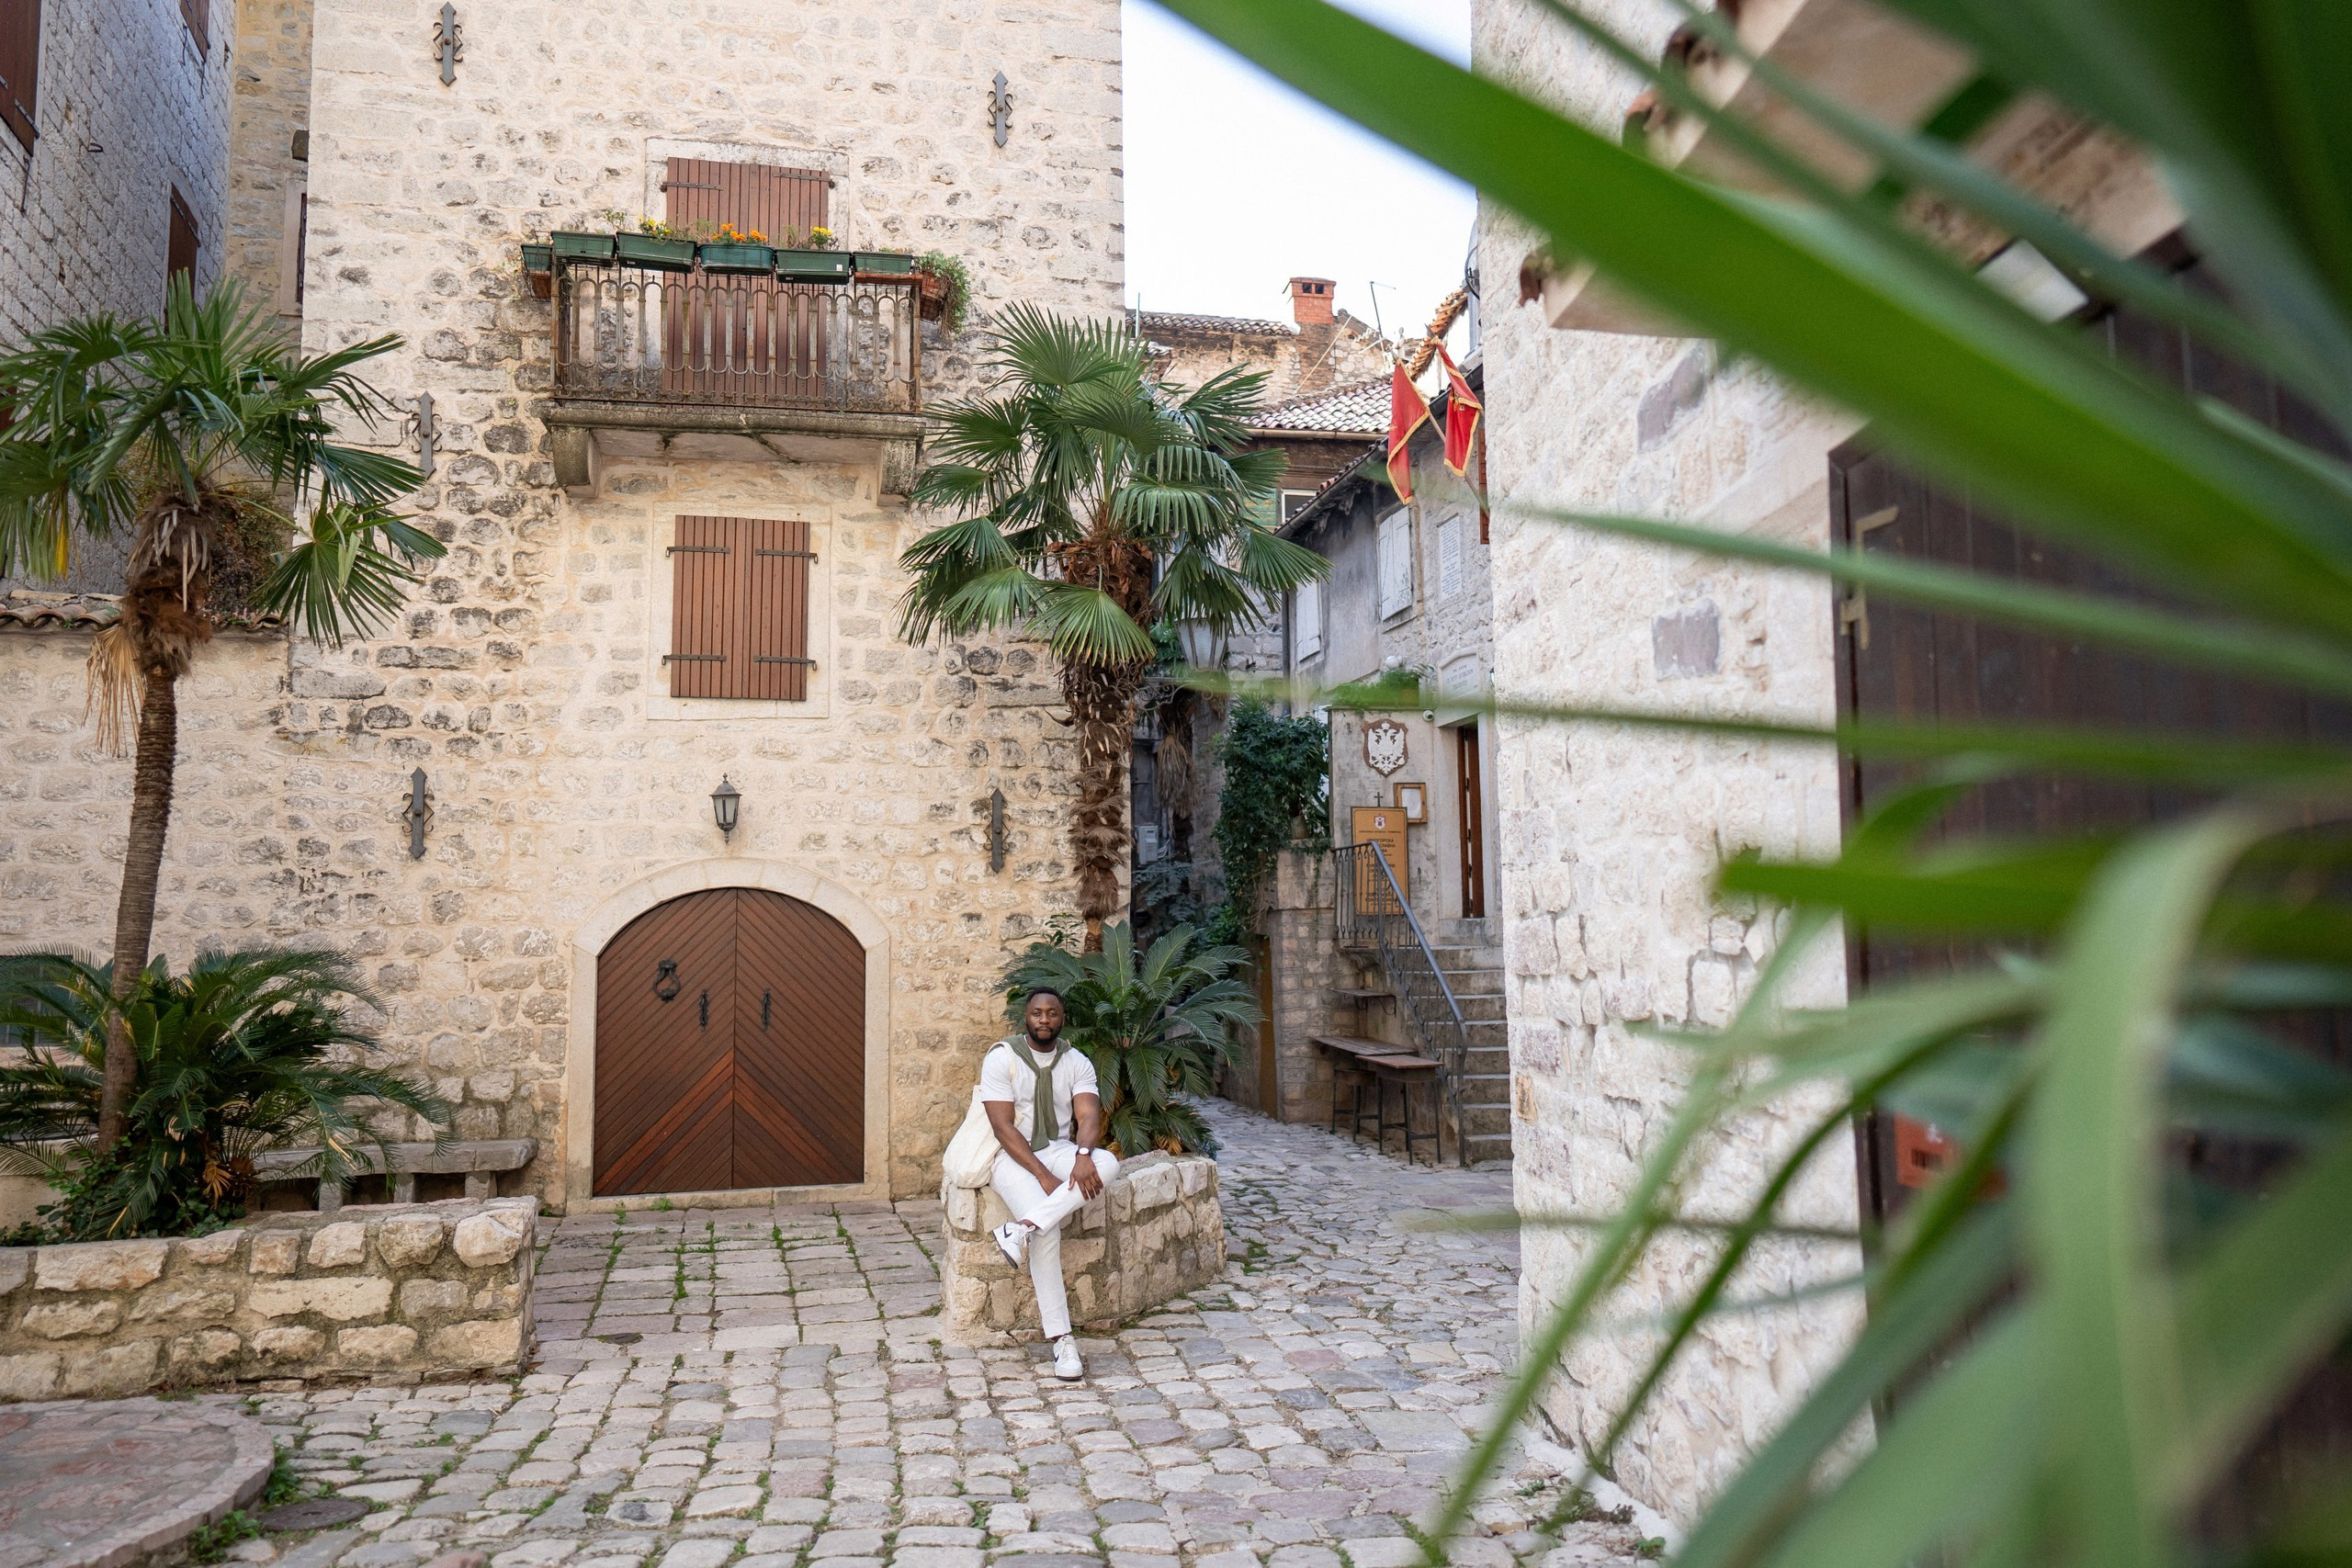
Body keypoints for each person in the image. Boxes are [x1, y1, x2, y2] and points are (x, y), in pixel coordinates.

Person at [980, 987, 1122, 1381]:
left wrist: (1080, 1157)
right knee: (1049, 1233)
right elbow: (1001, 1127)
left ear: (1063, 1018)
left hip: (1057, 1147)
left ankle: (1020, 1230)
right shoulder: (1002, 1057)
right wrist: (1042, 1175)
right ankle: (1062, 1340)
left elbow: (1088, 1116)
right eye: (1038, 1013)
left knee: (1106, 1163)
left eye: (1053, 1013)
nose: (1045, 1019)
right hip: (1011, 1157)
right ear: (1026, 1017)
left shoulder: (1076, 1061)